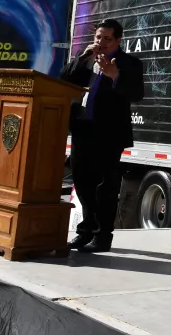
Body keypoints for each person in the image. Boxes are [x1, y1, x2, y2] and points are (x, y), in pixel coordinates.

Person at [62, 18, 144, 253]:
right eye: (98, 37)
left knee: (104, 188)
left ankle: (103, 236)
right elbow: (63, 79)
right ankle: (86, 231)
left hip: (109, 134)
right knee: (82, 182)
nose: (102, 42)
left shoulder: (129, 63)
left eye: (107, 39)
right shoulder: (87, 59)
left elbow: (137, 94)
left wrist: (115, 76)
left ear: (118, 40)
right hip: (82, 130)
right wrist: (83, 58)